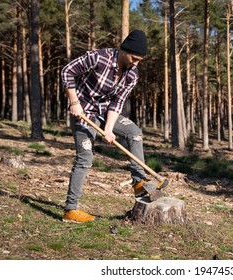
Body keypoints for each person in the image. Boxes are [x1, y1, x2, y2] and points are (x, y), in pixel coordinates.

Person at [60, 30, 167, 223]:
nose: (136, 63)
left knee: (134, 133)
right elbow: (67, 71)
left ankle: (138, 183)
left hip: (104, 113)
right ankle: (71, 209)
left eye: (140, 60)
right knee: (85, 157)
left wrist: (108, 129)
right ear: (123, 50)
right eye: (134, 58)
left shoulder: (131, 74)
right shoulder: (98, 58)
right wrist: (74, 102)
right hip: (84, 112)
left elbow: (117, 103)